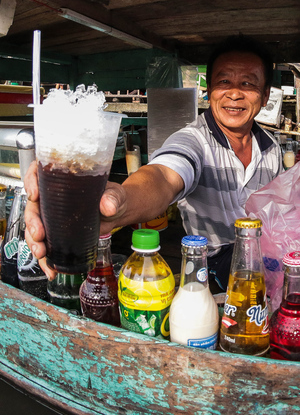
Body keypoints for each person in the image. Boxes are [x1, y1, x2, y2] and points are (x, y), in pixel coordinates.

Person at [24, 35, 283, 290]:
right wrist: (119, 203)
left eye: (248, 84)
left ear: (265, 94)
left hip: (265, 268)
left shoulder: (272, 148)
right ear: (209, 90)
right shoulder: (193, 141)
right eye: (224, 81)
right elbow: (162, 176)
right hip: (211, 274)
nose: (235, 94)